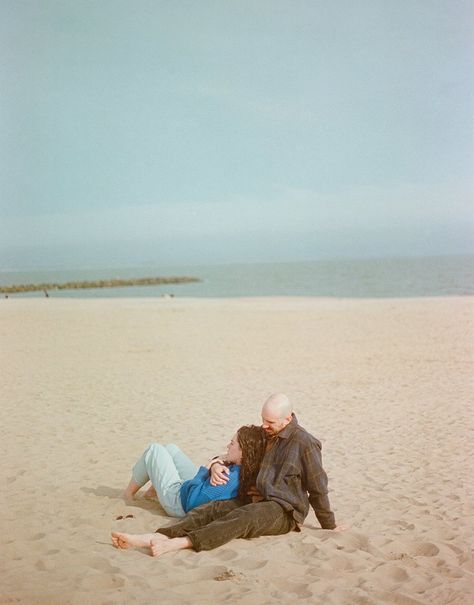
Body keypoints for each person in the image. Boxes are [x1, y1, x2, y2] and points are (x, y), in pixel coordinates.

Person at [112, 393, 343, 556]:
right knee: (214, 509)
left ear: (288, 418)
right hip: (257, 497)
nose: (264, 425)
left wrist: (329, 524)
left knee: (242, 519)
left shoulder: (305, 444)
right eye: (263, 419)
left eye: (269, 421)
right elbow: (239, 453)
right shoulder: (267, 434)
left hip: (284, 510)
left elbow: (318, 488)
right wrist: (216, 463)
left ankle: (182, 543)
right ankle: (159, 536)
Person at [121, 425, 267, 517]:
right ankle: (153, 492)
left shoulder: (227, 478)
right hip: (192, 488)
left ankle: (128, 494)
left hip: (179, 502)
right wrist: (216, 463)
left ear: (244, 451)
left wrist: (207, 468)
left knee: (154, 449)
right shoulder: (243, 467)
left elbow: (192, 504)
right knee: (172, 449)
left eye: (232, 443)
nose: (228, 445)